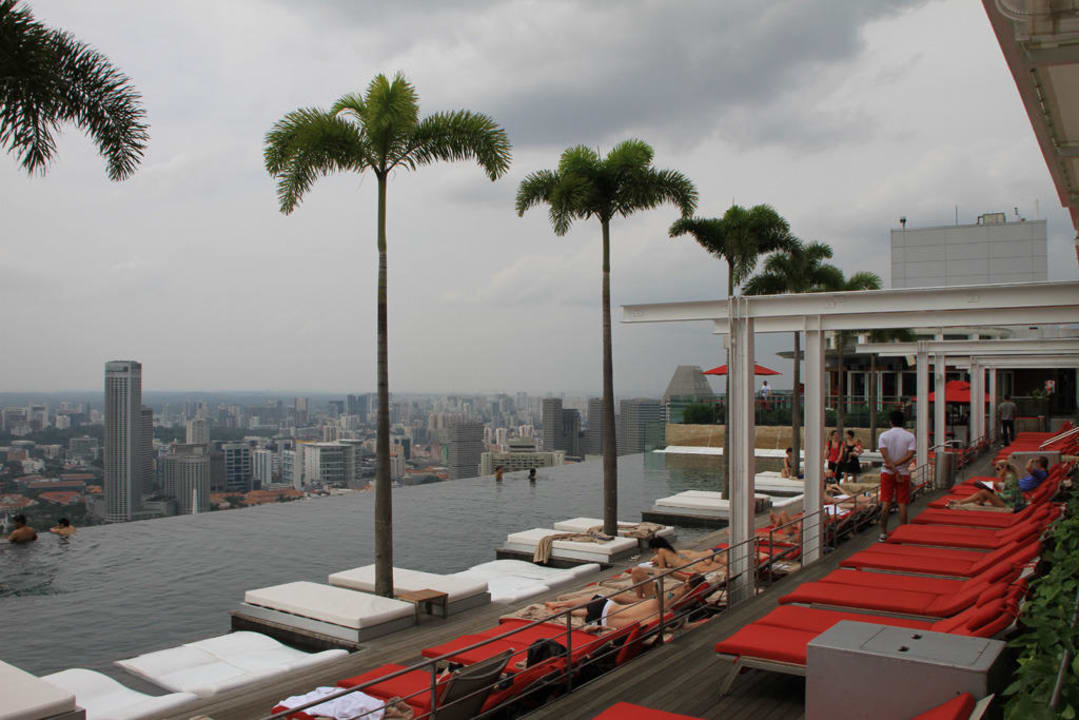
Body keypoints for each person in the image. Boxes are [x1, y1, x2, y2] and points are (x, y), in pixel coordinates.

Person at [948, 456, 1049, 510]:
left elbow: (1009, 496)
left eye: (998, 469)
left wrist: (996, 493)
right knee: (986, 488)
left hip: (1010, 504)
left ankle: (961, 502)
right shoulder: (1011, 477)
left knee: (985, 491)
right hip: (1011, 497)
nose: (997, 471)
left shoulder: (1039, 474)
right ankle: (966, 502)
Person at [877, 410, 916, 541]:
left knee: (886, 503)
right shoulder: (910, 436)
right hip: (903, 472)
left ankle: (883, 533)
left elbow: (884, 455)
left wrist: (893, 468)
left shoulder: (883, 436)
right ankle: (903, 532)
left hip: (887, 472)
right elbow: (910, 455)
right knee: (902, 503)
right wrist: (898, 470)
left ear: (891, 421)